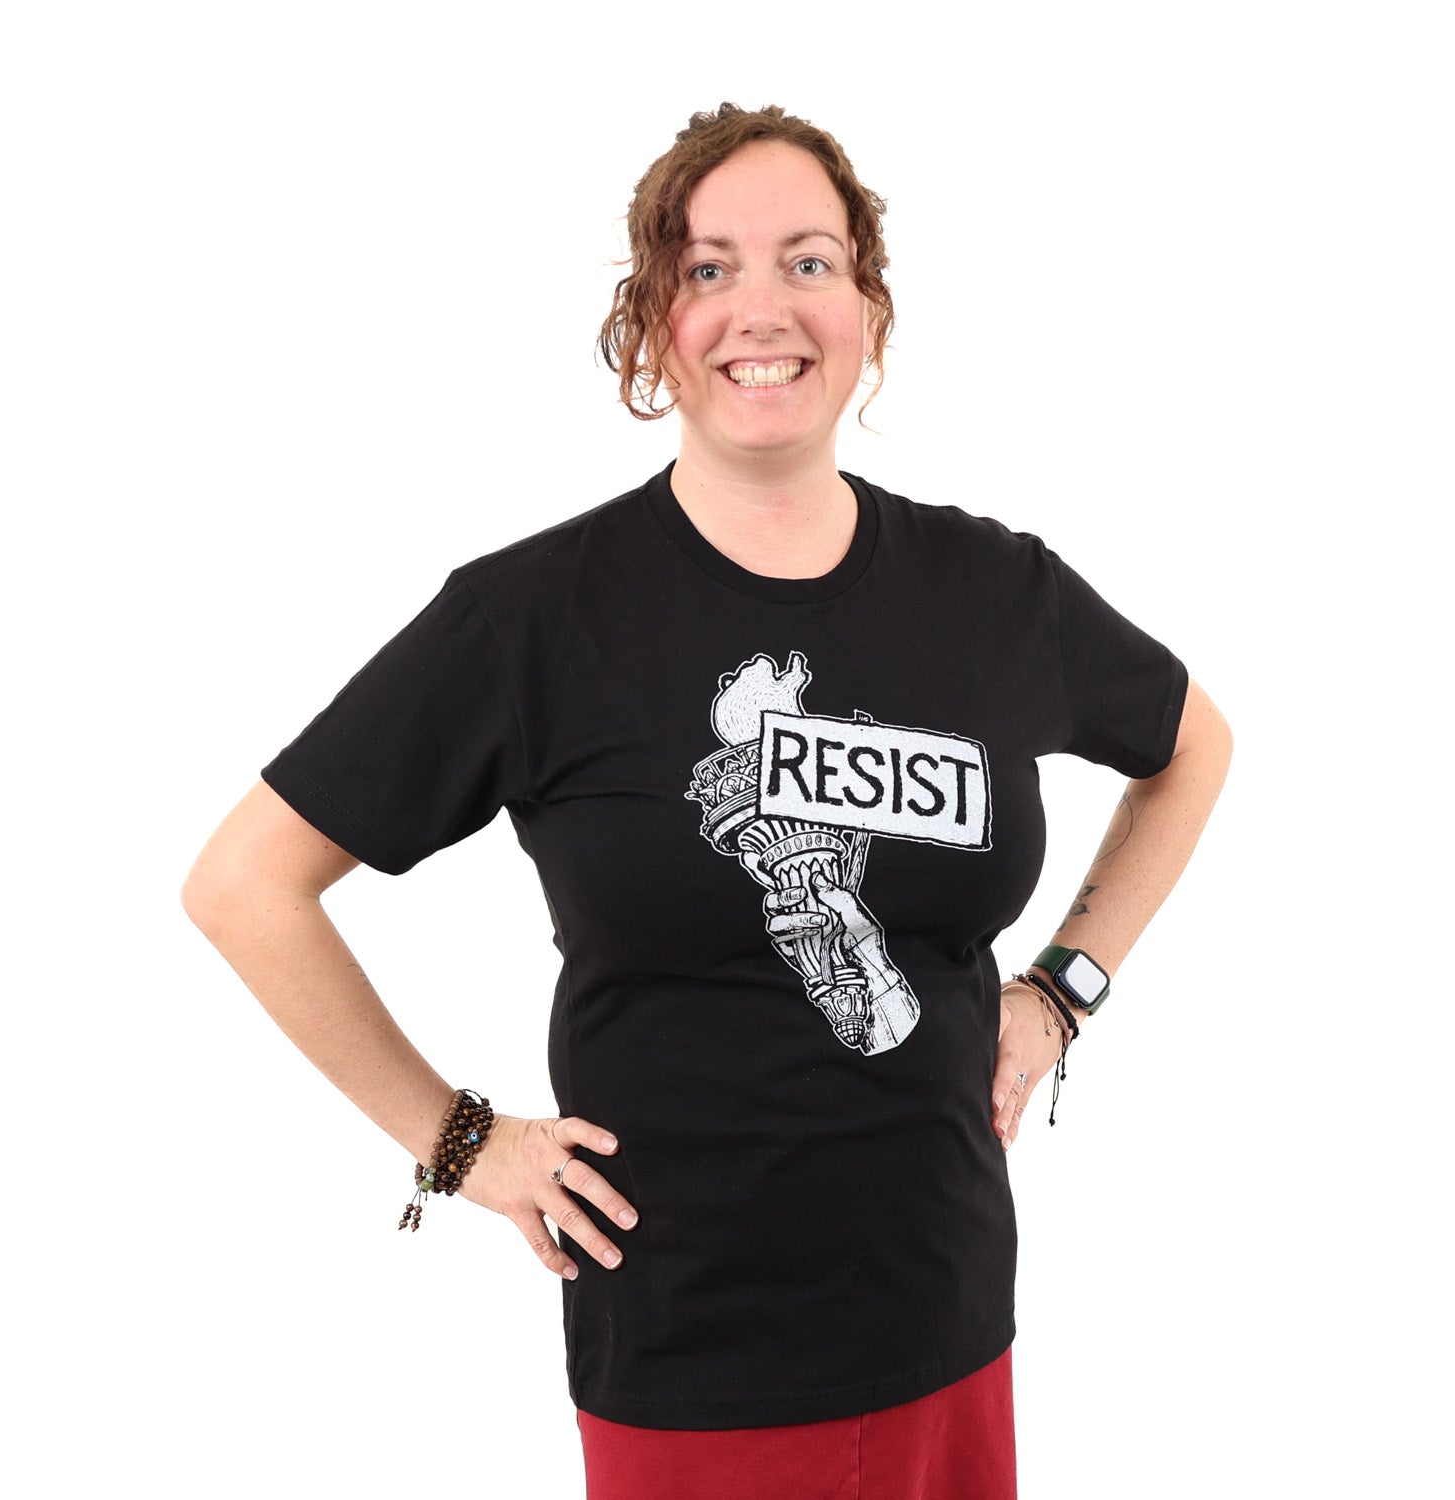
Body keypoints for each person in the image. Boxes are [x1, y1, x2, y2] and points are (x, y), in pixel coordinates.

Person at [182, 102, 1231, 1499]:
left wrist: (1062, 992)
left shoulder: (996, 593)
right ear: (651, 322)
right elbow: (244, 886)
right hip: (689, 1363)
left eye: (810, 261)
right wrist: (460, 1143)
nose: (763, 309)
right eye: (709, 267)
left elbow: (1191, 746)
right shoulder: (534, 618)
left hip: (951, 1323)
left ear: (867, 307)